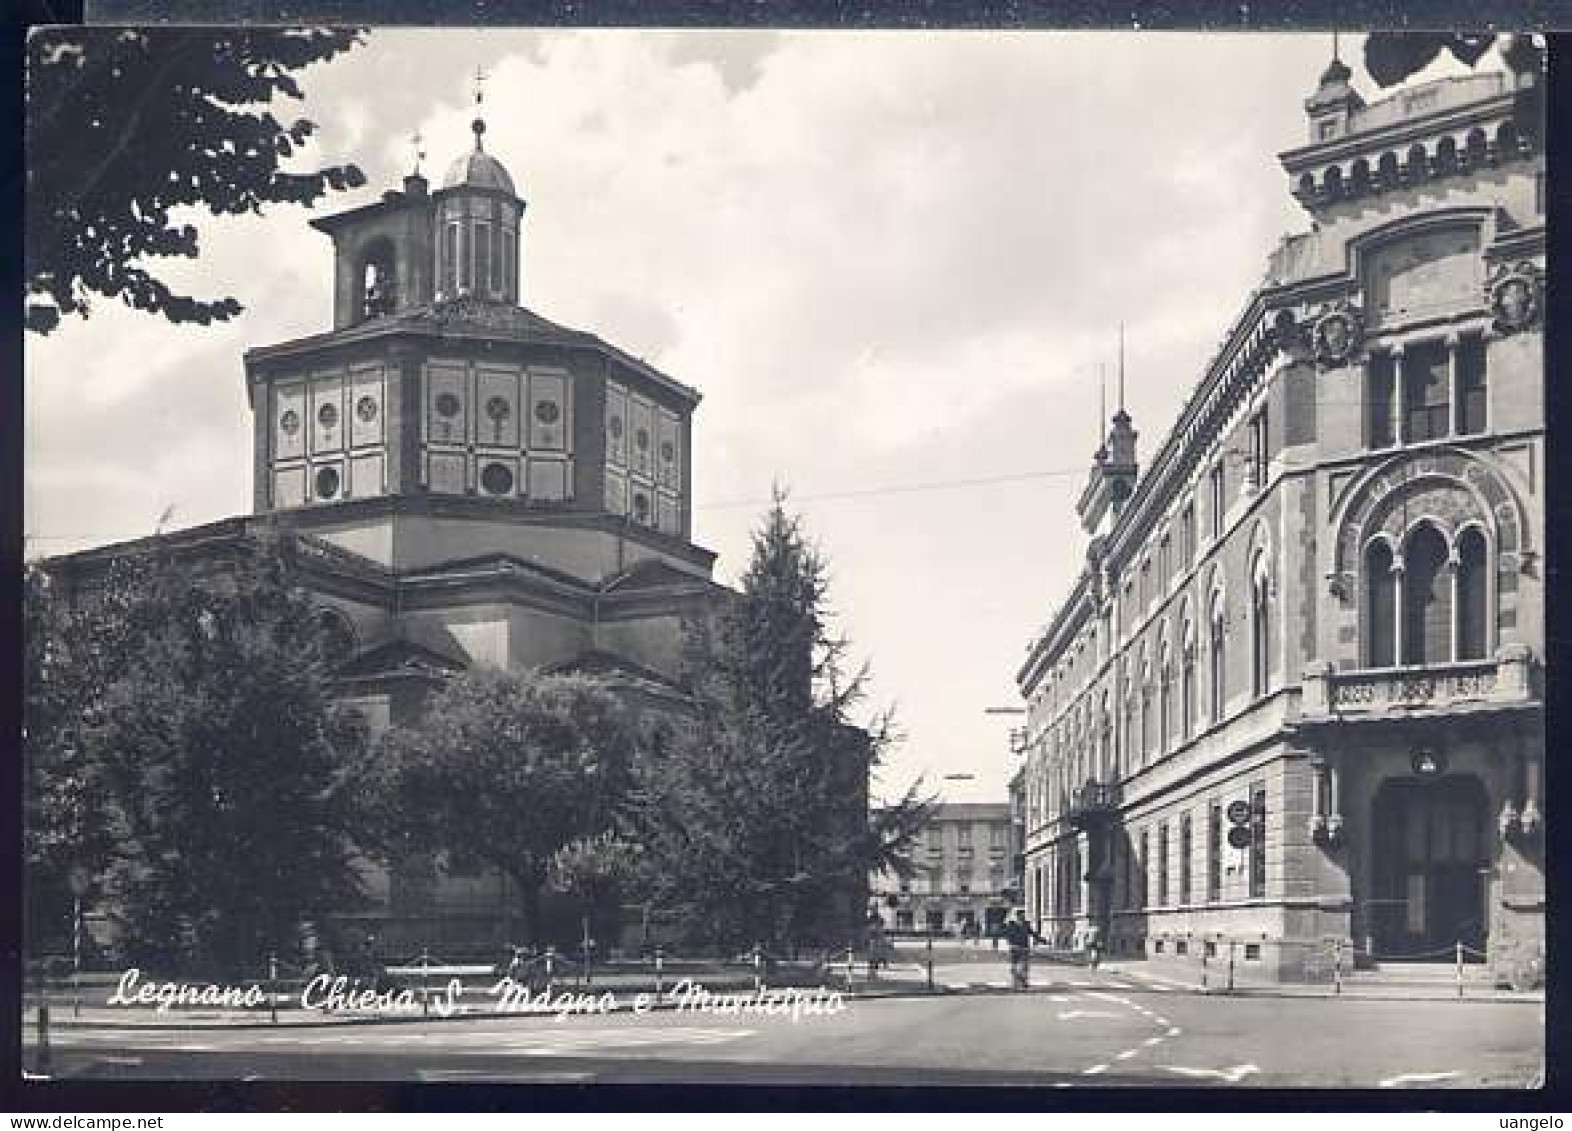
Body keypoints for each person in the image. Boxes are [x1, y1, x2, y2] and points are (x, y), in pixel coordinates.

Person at [1000, 909, 1046, 990]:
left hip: (1024, 948)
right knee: (1014, 967)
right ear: (1017, 916)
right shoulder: (1011, 924)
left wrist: (1043, 940)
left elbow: (1032, 933)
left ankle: (1024, 981)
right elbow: (1004, 932)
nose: (1023, 916)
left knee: (1024, 966)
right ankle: (1015, 983)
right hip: (1014, 947)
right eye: (1021, 915)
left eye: (1023, 915)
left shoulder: (1026, 924)